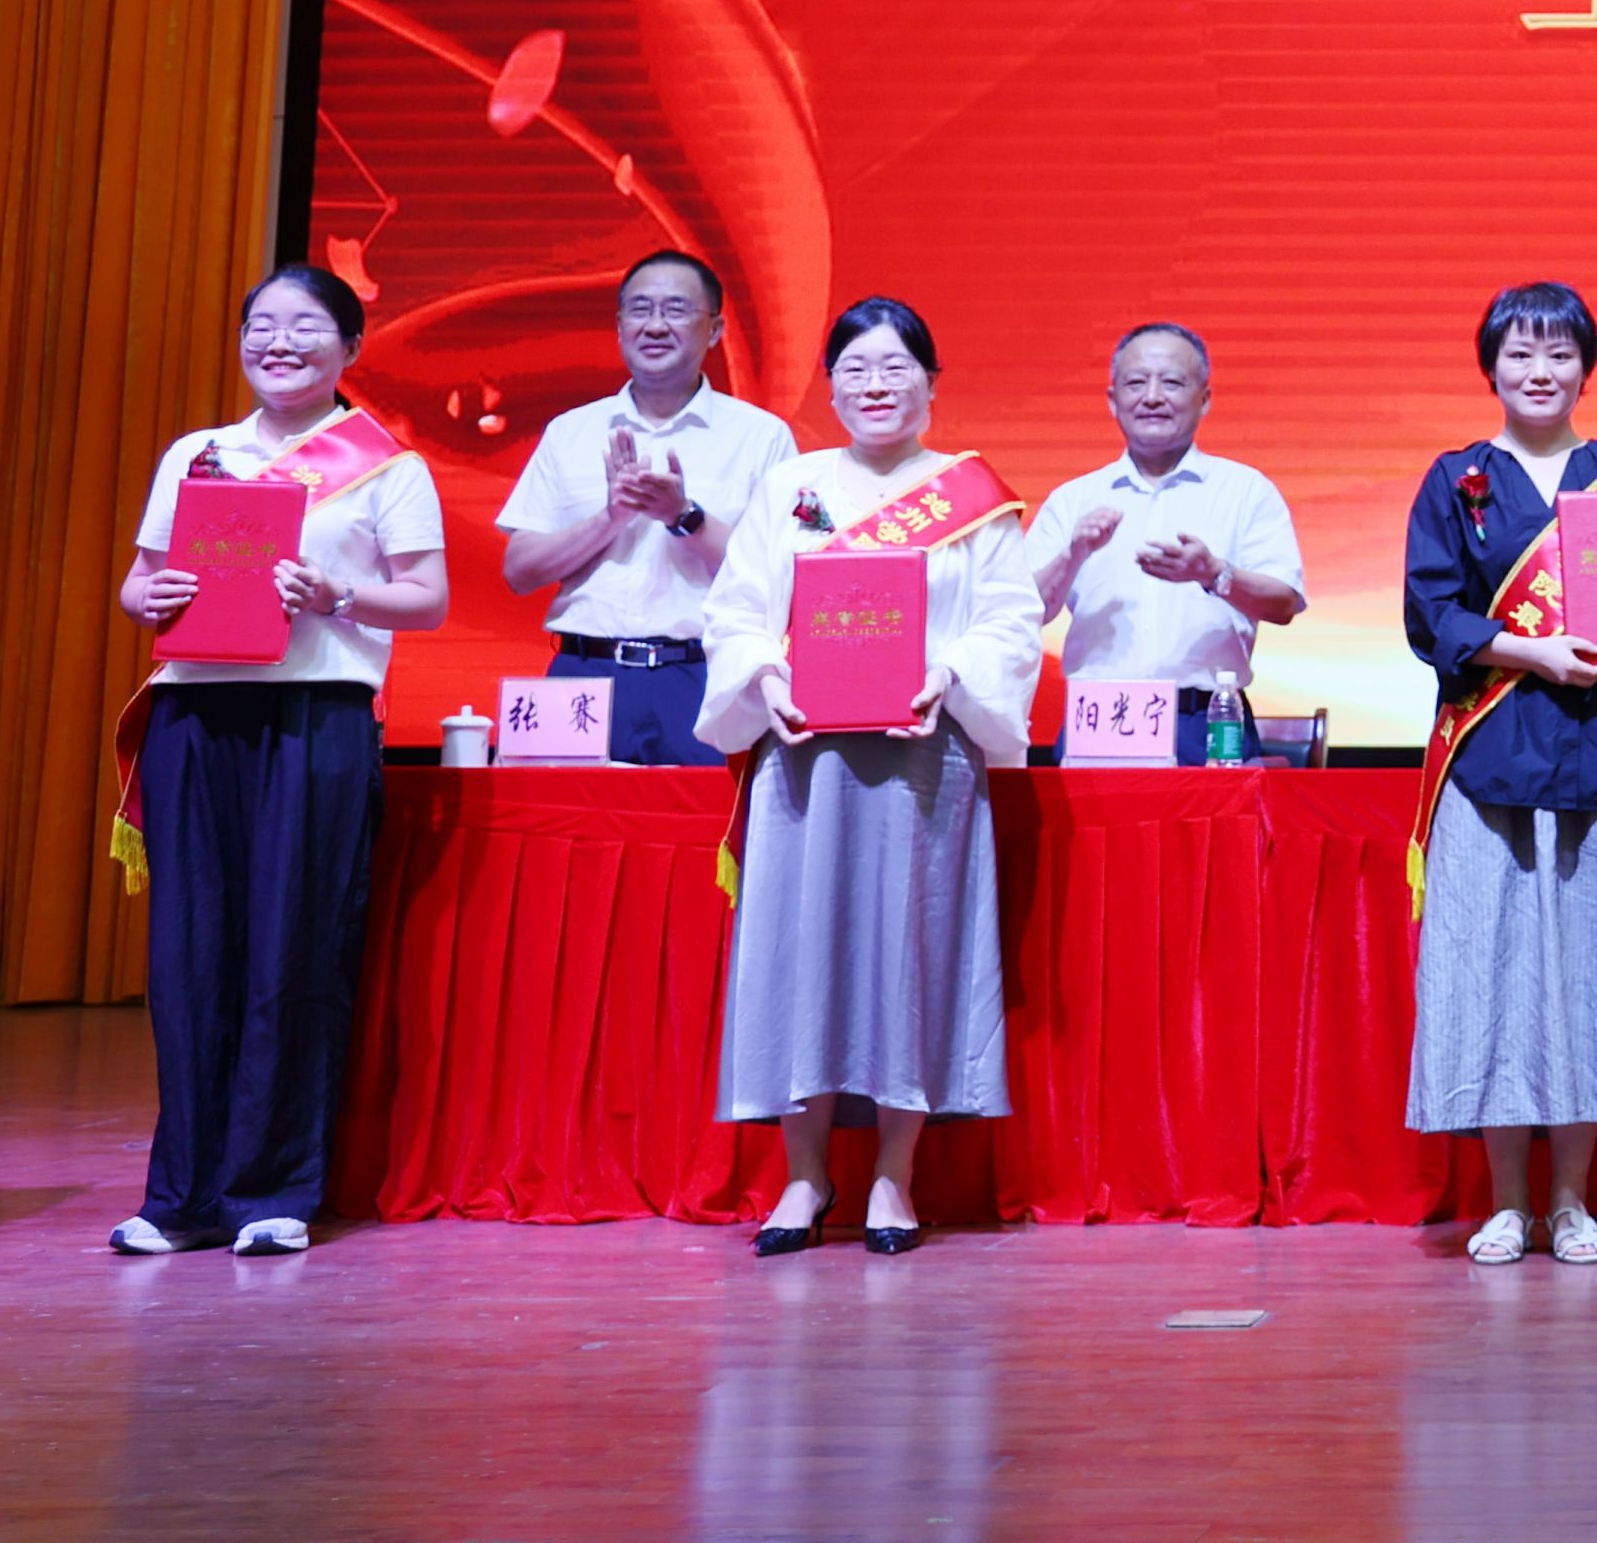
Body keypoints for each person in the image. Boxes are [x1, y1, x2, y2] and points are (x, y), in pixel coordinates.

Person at [107, 263, 448, 1256]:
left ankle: (271, 1194)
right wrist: (151, 598)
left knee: (292, 953)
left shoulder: (387, 467)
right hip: (196, 713)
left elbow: (426, 599)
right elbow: (139, 584)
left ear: (350, 348)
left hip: (314, 716)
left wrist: (338, 595)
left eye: (305, 326)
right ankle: (181, 1196)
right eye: (261, 324)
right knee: (190, 956)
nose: (279, 342)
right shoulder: (198, 454)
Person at [699, 296, 1041, 1258]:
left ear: (932, 383)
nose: (876, 385)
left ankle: (894, 1174)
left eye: (896, 368)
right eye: (855, 369)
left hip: (924, 756)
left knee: (909, 953)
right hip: (804, 756)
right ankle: (805, 1175)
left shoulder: (972, 496)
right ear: (832, 387)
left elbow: (1009, 622)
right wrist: (766, 674)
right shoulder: (790, 487)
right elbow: (736, 611)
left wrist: (951, 673)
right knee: (797, 954)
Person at [1405, 282, 1597, 1267]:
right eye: (1520, 354)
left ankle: (1574, 1203)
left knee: (1591, 980)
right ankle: (1507, 1204)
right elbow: (1430, 616)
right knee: (1499, 981)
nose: (1540, 372)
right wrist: (1530, 653)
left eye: (1559, 354)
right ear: (1490, 368)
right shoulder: (1456, 478)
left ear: (1586, 368)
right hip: (1494, 761)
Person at [495, 250, 798, 765]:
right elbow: (520, 572)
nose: (655, 325)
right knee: (557, 812)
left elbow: (780, 576)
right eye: (640, 309)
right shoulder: (571, 431)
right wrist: (610, 518)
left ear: (716, 330)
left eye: (677, 309)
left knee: (710, 816)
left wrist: (685, 518)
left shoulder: (761, 436)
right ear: (619, 327)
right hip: (583, 672)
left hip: (705, 672)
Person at [1027, 322, 1308, 763]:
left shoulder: (1245, 491)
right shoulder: (1073, 499)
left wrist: (1213, 573)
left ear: (1204, 399)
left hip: (1206, 719)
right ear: (1112, 400)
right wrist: (1073, 553)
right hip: (1099, 719)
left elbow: (1284, 604)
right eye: (1136, 383)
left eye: (1172, 382)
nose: (1153, 397)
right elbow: (1024, 610)